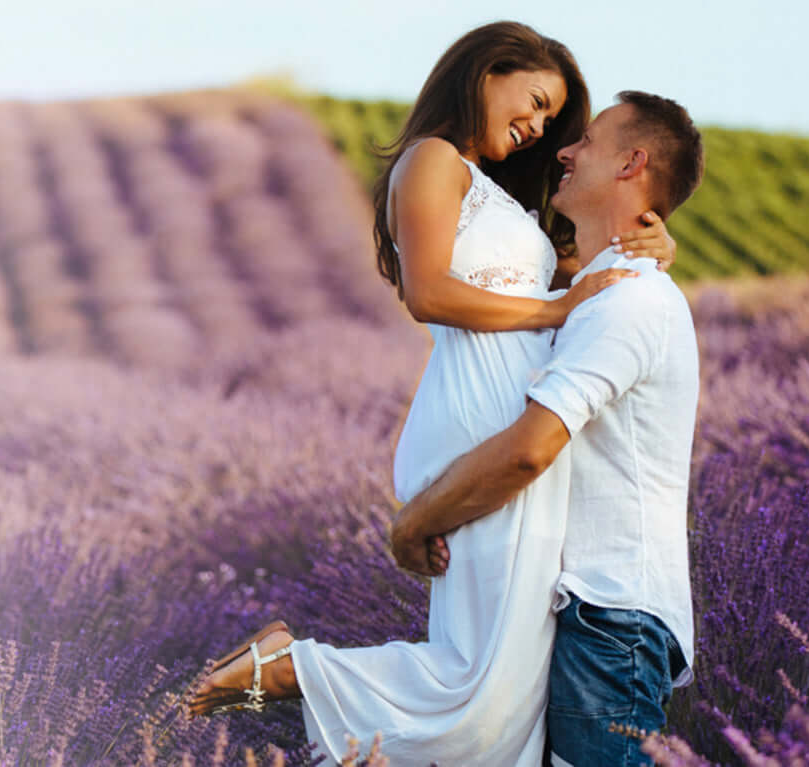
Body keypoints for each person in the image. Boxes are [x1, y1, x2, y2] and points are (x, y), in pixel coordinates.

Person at [182, 20, 674, 767]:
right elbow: (429, 292)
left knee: (503, 694)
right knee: (481, 690)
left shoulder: (499, 197)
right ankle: (284, 670)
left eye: (550, 118)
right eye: (536, 101)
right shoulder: (433, 160)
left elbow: (572, 283)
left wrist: (653, 244)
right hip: (483, 422)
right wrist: (552, 308)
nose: (539, 126)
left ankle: (281, 674)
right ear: (486, 73)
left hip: (513, 416)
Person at [387, 90, 706, 767]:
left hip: (608, 616)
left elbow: (530, 451)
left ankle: (292, 671)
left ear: (632, 164)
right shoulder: (595, 293)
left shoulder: (630, 300)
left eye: (586, 140)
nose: (562, 149)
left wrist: (415, 523)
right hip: (582, 611)